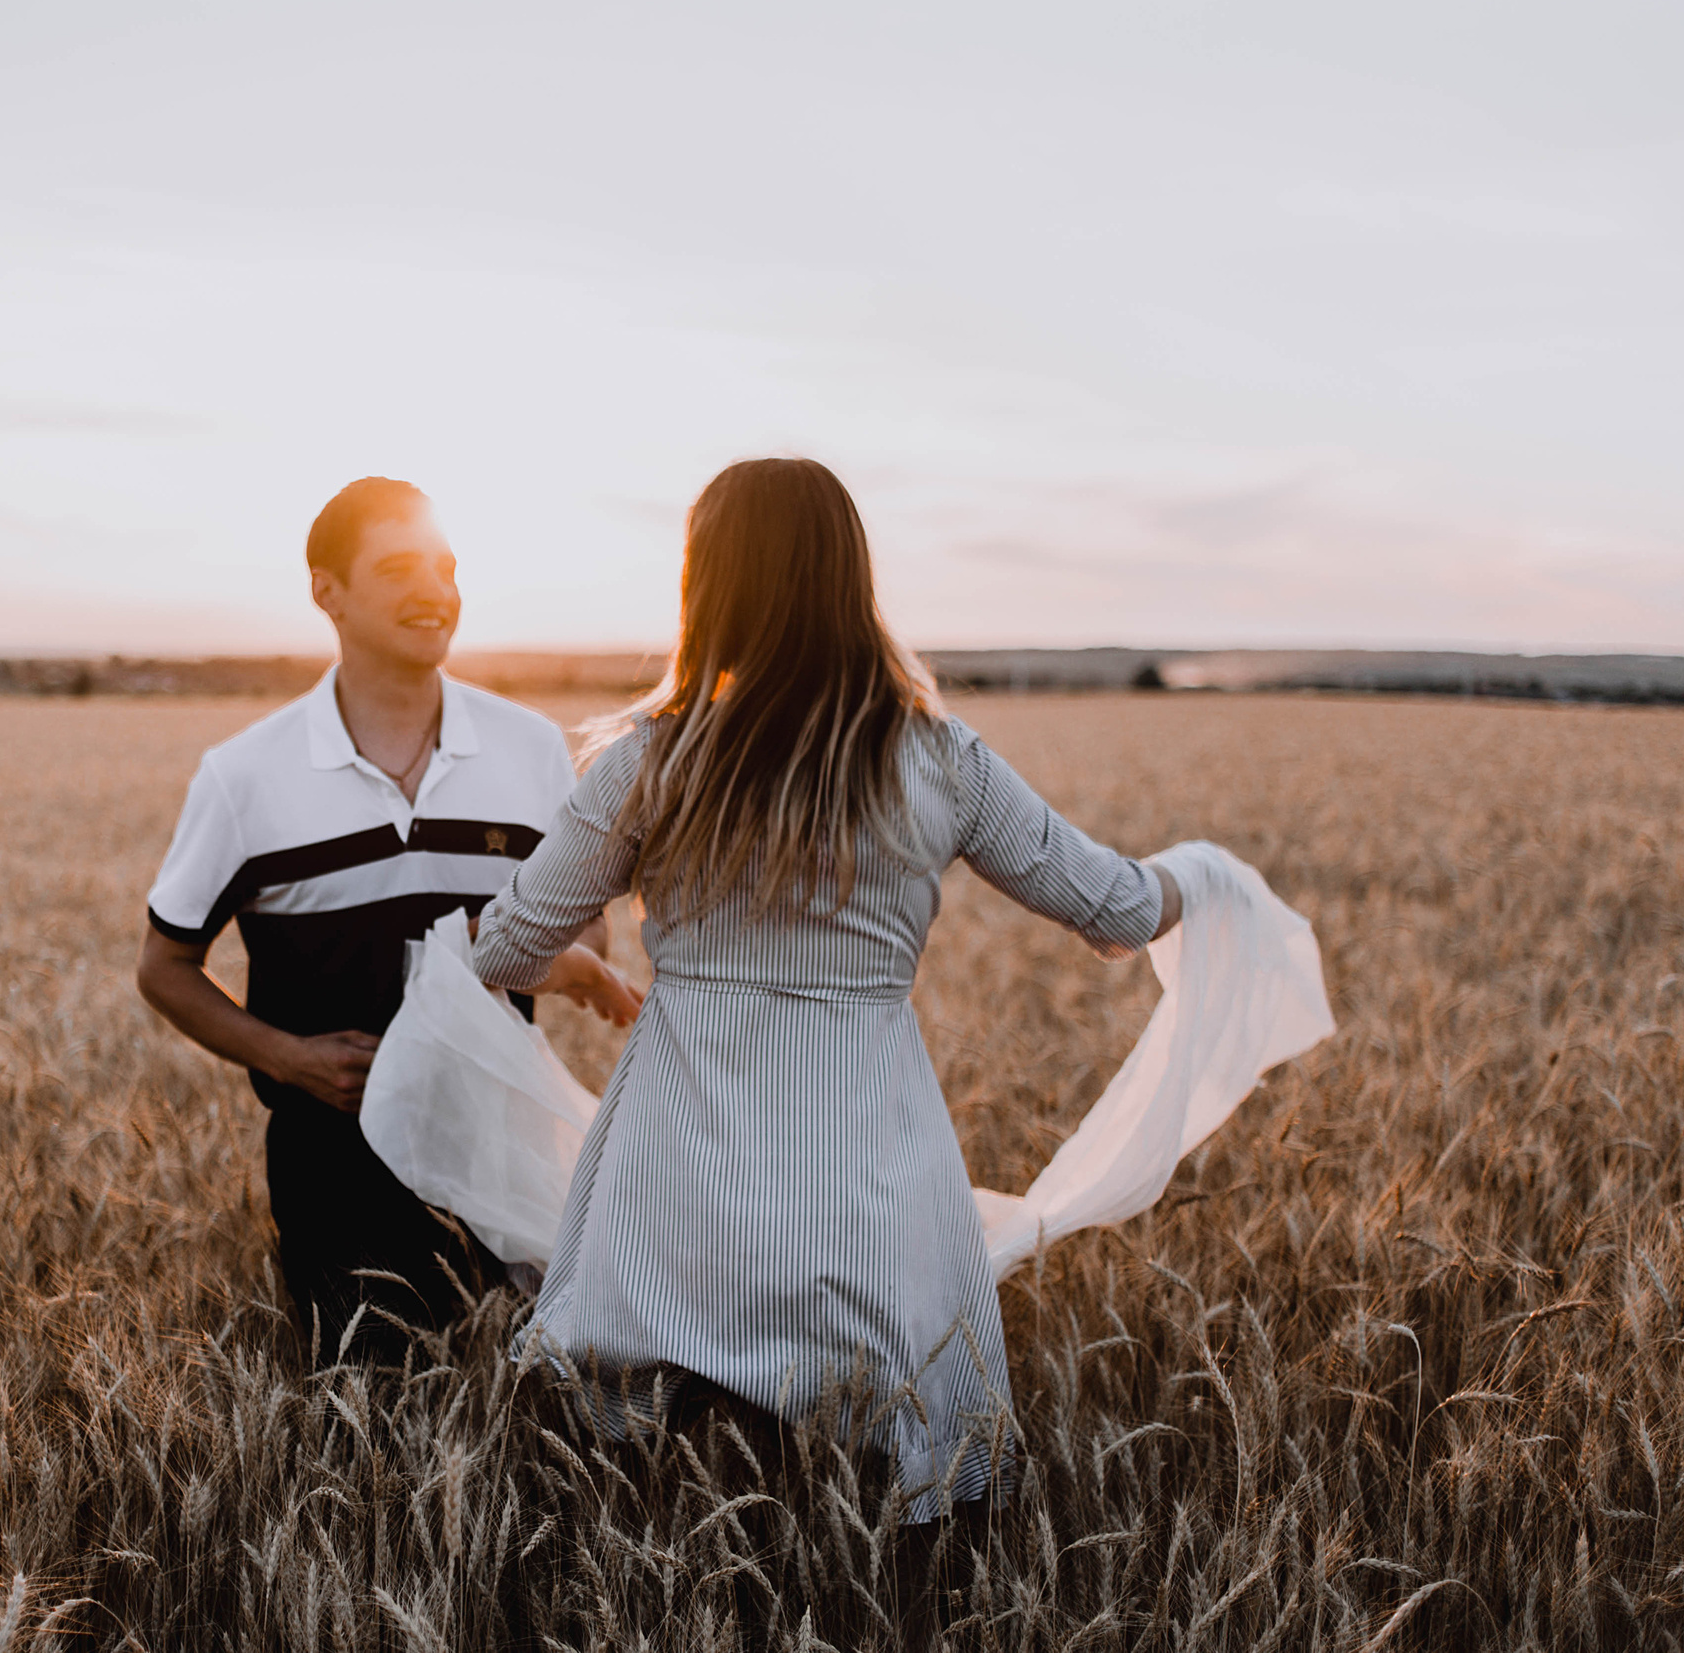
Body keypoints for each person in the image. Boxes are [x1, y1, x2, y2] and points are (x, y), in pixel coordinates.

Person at [468, 458, 1181, 1553]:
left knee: (654, 1501)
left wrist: (591, 956)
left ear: (706, 583)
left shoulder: (646, 764)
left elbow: (506, 949)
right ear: (850, 577)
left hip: (674, 1166)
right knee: (891, 1493)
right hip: (864, 1159)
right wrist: (1206, 880)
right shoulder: (941, 763)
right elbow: (1119, 908)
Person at [137, 476, 631, 1360]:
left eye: (447, 567)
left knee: (550, 1387)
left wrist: (548, 959)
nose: (435, 590)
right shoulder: (246, 775)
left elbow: (587, 926)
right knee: (378, 1393)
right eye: (400, 568)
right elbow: (163, 966)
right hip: (335, 1155)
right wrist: (287, 1058)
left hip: (499, 1138)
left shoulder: (526, 748)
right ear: (326, 591)